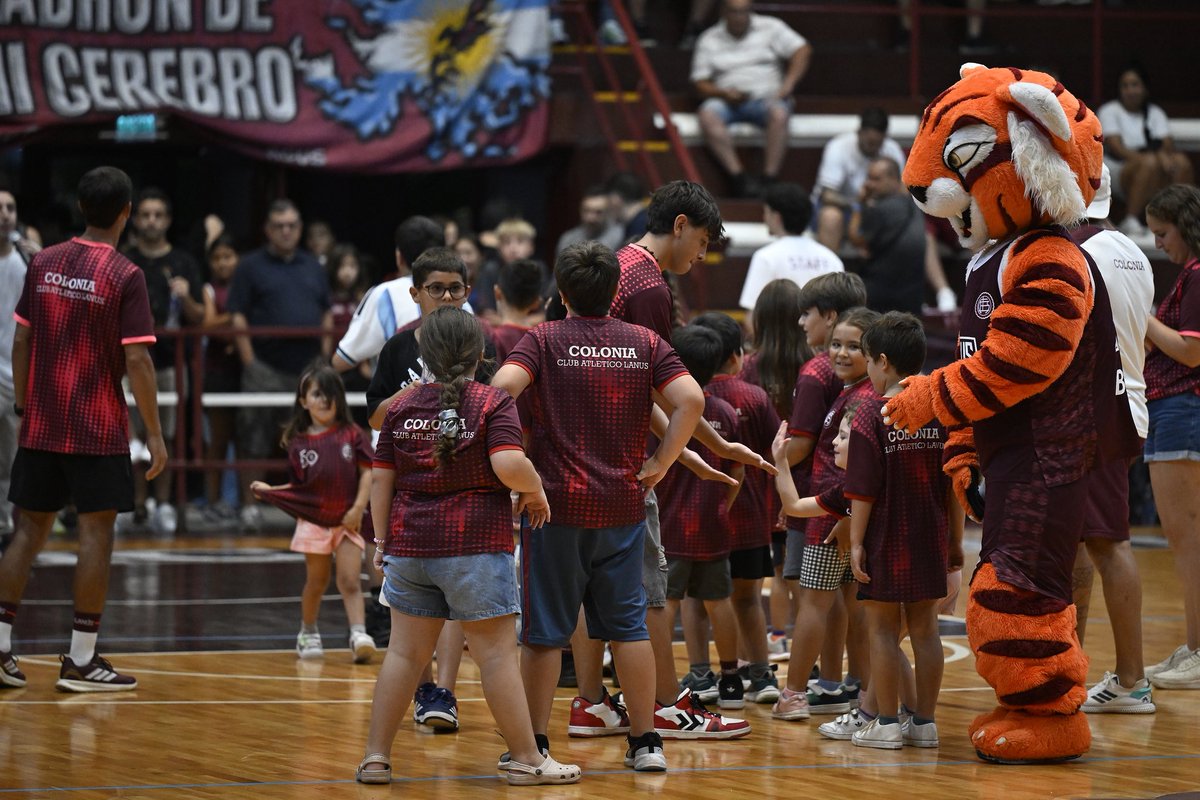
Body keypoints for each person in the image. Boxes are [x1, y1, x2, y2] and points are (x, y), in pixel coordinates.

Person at [492, 240, 710, 772]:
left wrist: (516, 463)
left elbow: (500, 391)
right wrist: (661, 460)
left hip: (554, 509)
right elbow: (691, 400)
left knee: (545, 633)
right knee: (629, 627)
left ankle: (535, 746)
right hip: (622, 506)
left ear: (561, 293)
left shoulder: (541, 339)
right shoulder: (643, 340)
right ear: (615, 291)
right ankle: (646, 744)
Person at [357, 306, 581, 786]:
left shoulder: (398, 407)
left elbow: (382, 481)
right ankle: (526, 758)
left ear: (424, 355)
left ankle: (375, 758)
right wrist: (535, 487)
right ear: (480, 353)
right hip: (474, 547)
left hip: (411, 548)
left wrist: (382, 542)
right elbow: (507, 462)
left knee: (402, 656)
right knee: (497, 655)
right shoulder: (491, 402)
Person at [607, 179, 767, 740]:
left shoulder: (614, 263)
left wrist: (697, 451)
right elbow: (662, 389)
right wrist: (705, 448)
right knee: (651, 591)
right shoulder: (649, 285)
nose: (700, 257)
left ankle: (590, 704)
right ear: (680, 225)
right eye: (701, 243)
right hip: (618, 457)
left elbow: (635, 382)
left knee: (590, 589)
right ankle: (666, 707)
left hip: (577, 445)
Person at [0, 166, 166, 692]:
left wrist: (25, 402)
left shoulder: (43, 262)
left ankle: (0, 646)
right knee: (96, 534)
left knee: (27, 532)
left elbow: (21, 341)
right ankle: (81, 659)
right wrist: (156, 435)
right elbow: (138, 361)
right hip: (96, 427)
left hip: (42, 424)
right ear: (126, 213)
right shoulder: (124, 274)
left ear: (79, 205)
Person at [364, 247, 493, 731]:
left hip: (464, 490)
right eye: (435, 288)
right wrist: (423, 391)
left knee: (457, 598)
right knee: (411, 607)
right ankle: (422, 688)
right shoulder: (398, 349)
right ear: (415, 293)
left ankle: (445, 690)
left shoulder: (478, 346)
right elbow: (376, 413)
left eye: (455, 289)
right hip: (408, 488)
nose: (445, 297)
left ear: (467, 292)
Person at [844, 312, 960, 748]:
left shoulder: (871, 413)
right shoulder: (940, 408)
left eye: (869, 361)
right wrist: (953, 543)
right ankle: (925, 724)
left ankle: (888, 724)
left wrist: (856, 543)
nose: (868, 370)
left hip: (886, 538)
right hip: (930, 534)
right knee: (926, 629)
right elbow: (954, 481)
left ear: (885, 361)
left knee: (882, 631)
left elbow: (863, 490)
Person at [1069, 167, 1157, 713]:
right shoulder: (1133, 249)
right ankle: (1071, 665)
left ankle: (1131, 681)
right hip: (1129, 403)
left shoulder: (1076, 251)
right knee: (1083, 541)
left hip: (1097, 412)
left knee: (1107, 542)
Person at [773, 306, 879, 721]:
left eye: (854, 347)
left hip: (831, 519)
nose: (840, 353)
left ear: (874, 355)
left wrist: (847, 517)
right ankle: (864, 692)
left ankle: (794, 694)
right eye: (837, 344)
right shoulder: (849, 392)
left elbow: (864, 469)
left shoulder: (864, 399)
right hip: (840, 517)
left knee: (814, 606)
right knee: (851, 608)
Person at [251, 364, 376, 664]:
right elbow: (301, 489)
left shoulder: (352, 434)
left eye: (331, 394)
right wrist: (271, 490)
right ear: (303, 400)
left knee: (349, 580)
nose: (324, 400)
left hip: (348, 521)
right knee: (317, 581)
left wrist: (358, 508)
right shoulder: (298, 443)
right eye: (317, 394)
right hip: (314, 523)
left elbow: (367, 472)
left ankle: (358, 633)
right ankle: (308, 631)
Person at [655, 325, 748, 711]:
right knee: (719, 600)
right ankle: (730, 680)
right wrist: (722, 503)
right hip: (713, 524)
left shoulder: (665, 411)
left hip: (671, 525)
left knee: (664, 605)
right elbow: (738, 470)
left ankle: (665, 685)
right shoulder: (726, 411)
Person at [692, 312, 781, 703]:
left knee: (696, 600)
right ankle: (761, 677)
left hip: (697, 521)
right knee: (748, 599)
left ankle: (701, 676)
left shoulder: (681, 401)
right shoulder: (755, 397)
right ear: (735, 357)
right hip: (750, 519)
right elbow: (776, 452)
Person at [229, 199, 332, 531]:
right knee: (253, 435)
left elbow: (326, 311)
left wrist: (325, 357)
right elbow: (237, 314)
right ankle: (250, 508)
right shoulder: (249, 266)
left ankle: (313, 506)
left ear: (300, 228)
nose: (286, 231)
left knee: (314, 436)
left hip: (309, 367)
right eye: (279, 226)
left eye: (292, 225)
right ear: (268, 229)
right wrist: (250, 361)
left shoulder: (313, 265)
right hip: (265, 366)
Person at [1141, 184, 1200, 691]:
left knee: (1189, 543)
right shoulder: (1191, 275)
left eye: (1162, 233)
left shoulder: (1199, 276)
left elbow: (1190, 351)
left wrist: (1142, 316)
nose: (1158, 243)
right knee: (1187, 542)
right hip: (1175, 412)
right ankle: (1195, 643)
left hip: (1183, 411)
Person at [124, 187, 205, 535]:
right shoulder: (125, 259)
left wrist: (186, 298)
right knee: (131, 437)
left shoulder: (184, 262)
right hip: (128, 362)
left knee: (166, 435)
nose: (152, 221)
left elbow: (200, 316)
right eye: (145, 215)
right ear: (135, 219)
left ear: (168, 220)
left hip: (171, 365)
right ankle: (136, 504)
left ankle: (163, 503)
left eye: (158, 215)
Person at [740, 279, 812, 658]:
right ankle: (799, 642)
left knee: (755, 576)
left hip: (754, 480)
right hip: (800, 481)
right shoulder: (815, 366)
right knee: (795, 571)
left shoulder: (748, 368)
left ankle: (772, 639)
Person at [690, 0, 812, 196]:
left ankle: (769, 179)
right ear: (723, 12)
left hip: (766, 98)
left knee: (780, 113)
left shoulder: (771, 27)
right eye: (734, 12)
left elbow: (803, 50)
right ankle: (739, 178)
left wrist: (788, 84)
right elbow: (699, 82)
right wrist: (723, 94)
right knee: (707, 114)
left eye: (744, 12)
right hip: (726, 100)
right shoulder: (709, 38)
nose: (739, 17)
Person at [332, 215, 445, 376]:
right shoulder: (459, 292)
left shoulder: (385, 294)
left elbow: (341, 360)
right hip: (456, 396)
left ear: (399, 257)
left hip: (406, 396)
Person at [1098, 66, 1194, 240]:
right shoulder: (1110, 111)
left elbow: (1166, 143)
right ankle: (1131, 218)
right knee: (1149, 163)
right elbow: (1117, 148)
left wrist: (1161, 157)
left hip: (1152, 167)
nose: (1130, 90)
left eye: (1135, 85)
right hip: (1118, 168)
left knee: (1181, 162)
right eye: (1125, 86)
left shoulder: (1154, 112)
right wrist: (1156, 158)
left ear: (1144, 88)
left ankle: (1180, 218)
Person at [0, 187, 39, 544]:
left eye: (10, 207)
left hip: (16, 377)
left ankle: (5, 530)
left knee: (12, 460)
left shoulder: (29, 261)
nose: (5, 214)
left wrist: (44, 260)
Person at [738, 182, 843, 315]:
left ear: (776, 217)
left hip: (780, 334)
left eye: (766, 212)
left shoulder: (766, 257)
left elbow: (753, 315)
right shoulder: (832, 259)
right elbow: (839, 314)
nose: (764, 218)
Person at [814, 108, 907, 252]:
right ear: (859, 133)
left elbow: (902, 191)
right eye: (869, 142)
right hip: (844, 208)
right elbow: (827, 195)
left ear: (885, 137)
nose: (872, 148)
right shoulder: (838, 147)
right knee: (831, 216)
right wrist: (857, 204)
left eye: (877, 143)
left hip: (877, 211)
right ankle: (829, 273)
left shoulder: (892, 150)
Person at [848, 157, 929, 315]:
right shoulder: (916, 206)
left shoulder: (882, 209)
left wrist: (858, 205)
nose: (869, 184)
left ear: (894, 179)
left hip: (880, 297)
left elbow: (856, 238)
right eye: (868, 178)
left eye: (876, 179)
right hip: (913, 297)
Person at [201, 235, 242, 521]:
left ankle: (244, 503)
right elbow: (207, 324)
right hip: (217, 372)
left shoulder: (245, 287)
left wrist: (230, 325)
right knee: (217, 439)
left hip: (243, 371)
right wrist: (234, 320)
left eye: (228, 256)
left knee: (245, 440)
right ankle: (212, 502)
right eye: (217, 258)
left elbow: (251, 318)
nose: (223, 263)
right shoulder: (209, 289)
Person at [555, 185, 626, 257]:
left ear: (608, 212)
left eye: (598, 212)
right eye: (586, 211)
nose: (591, 218)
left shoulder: (621, 237)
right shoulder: (567, 240)